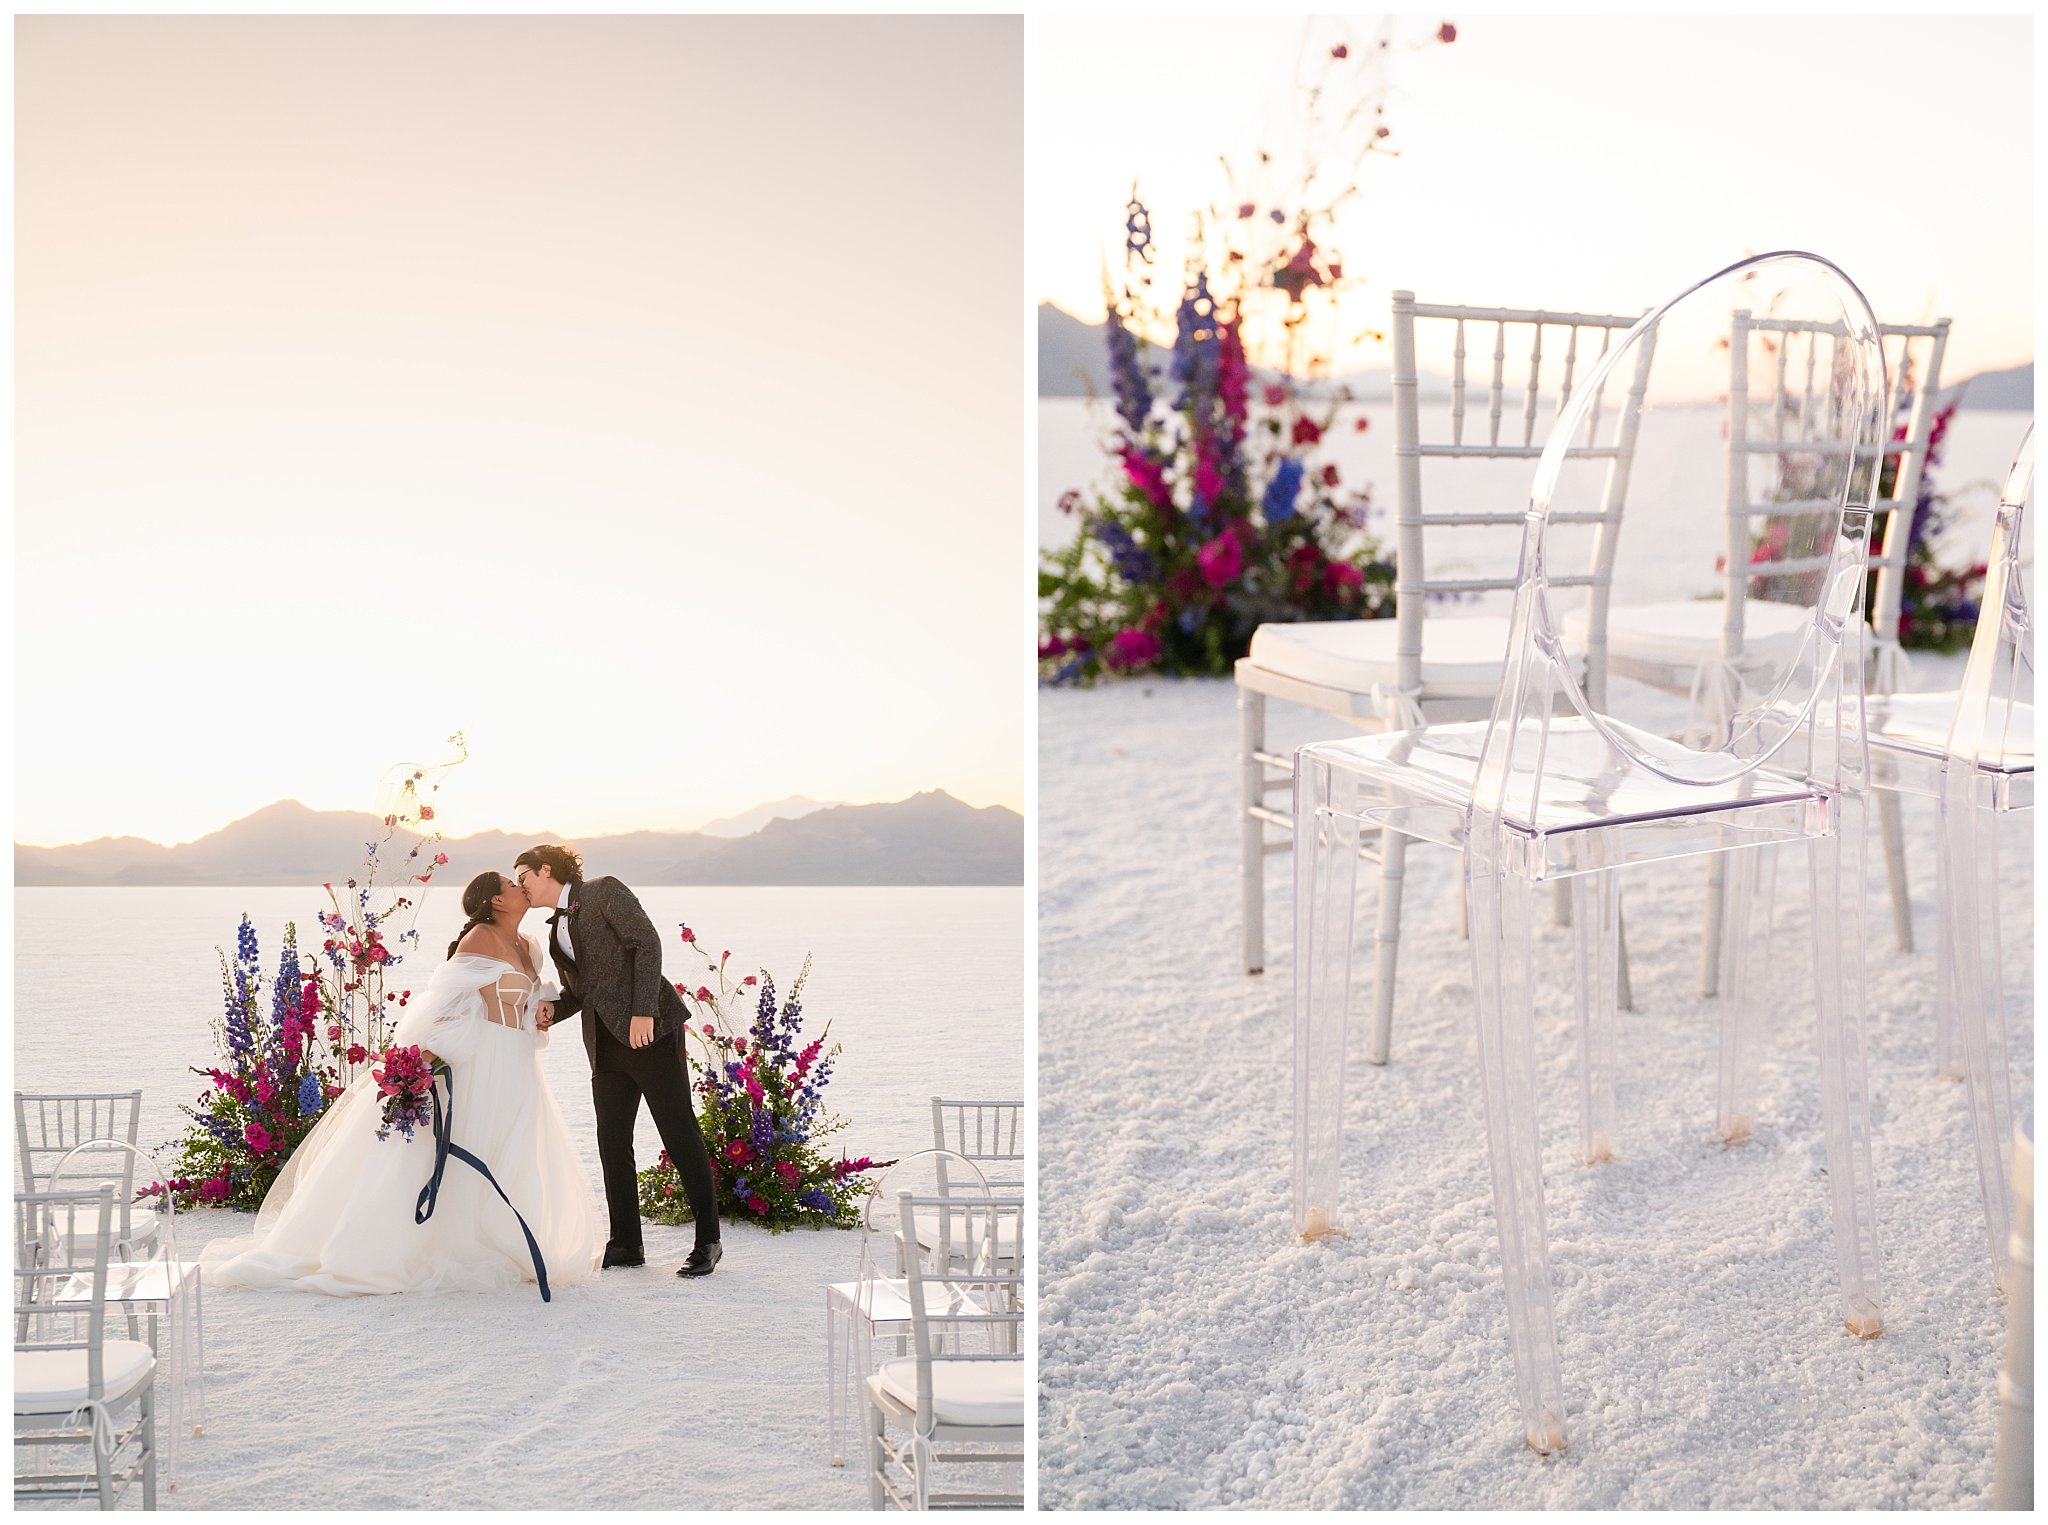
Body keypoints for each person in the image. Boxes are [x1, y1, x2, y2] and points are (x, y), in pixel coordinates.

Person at [205, 871, 603, 1296]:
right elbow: (447, 1006)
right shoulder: (480, 939)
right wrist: (419, 1061)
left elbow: (528, 995)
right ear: (496, 902)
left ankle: (496, 1240)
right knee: (469, 1144)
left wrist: (542, 1007)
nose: (519, 887)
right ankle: (435, 1245)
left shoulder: (529, 946)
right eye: (510, 884)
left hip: (517, 1062)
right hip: (481, 1059)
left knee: (511, 1148)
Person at [513, 843, 722, 1277]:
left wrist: (644, 1010)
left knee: (678, 1131)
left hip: (651, 1033)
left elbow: (646, 943)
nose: (521, 888)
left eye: (524, 878)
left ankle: (708, 1241)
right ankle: (626, 1243)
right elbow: (584, 989)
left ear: (546, 870)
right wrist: (556, 1009)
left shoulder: (604, 890)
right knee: (612, 1143)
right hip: (604, 1045)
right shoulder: (557, 932)